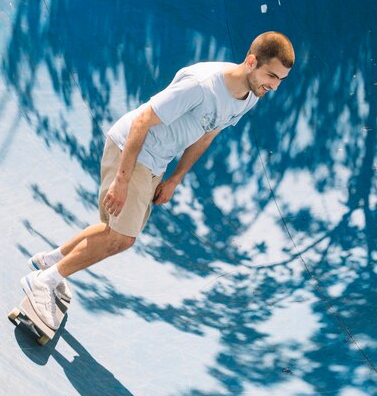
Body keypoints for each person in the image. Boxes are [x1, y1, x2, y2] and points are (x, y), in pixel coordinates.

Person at [21, 31, 295, 329]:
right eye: (271, 75)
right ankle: (44, 282)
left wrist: (175, 179)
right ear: (252, 61)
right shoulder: (201, 84)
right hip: (132, 150)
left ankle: (48, 262)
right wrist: (122, 180)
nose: (274, 86)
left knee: (114, 227)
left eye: (281, 80)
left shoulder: (248, 96)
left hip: (156, 162)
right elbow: (143, 120)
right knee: (121, 238)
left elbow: (207, 135)